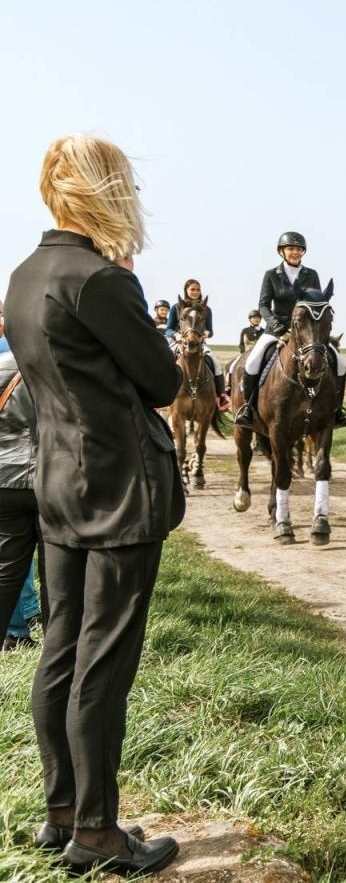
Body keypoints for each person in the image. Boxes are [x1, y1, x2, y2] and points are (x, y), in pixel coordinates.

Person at [4, 134, 184, 874]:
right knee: (103, 663)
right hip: (118, 491)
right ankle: (101, 832)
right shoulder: (100, 279)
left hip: (57, 486)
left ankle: (61, 813)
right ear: (106, 191)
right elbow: (164, 380)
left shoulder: (23, 275)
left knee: (60, 649)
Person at [235, 231, 346, 428]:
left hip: (307, 331)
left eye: (299, 249)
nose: (295, 252)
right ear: (282, 251)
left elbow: (316, 302)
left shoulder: (311, 274)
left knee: (340, 364)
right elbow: (263, 305)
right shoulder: (271, 275)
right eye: (291, 249)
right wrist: (277, 327)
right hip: (277, 329)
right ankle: (248, 408)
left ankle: (337, 410)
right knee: (252, 363)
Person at [1, 346, 44, 652]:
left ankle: (14, 631)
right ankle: (59, 649)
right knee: (57, 575)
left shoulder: (2, 364)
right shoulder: (59, 364)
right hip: (49, 480)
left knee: (5, 569)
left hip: (4, 479)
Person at [164, 278, 228, 410]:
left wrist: (206, 334)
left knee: (215, 362)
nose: (195, 292)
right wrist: (176, 335)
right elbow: (168, 329)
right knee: (163, 359)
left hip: (198, 342)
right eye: (192, 289)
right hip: (179, 341)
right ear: (186, 290)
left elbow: (210, 330)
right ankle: (159, 390)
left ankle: (221, 396)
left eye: (198, 289)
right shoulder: (176, 307)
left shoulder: (206, 309)